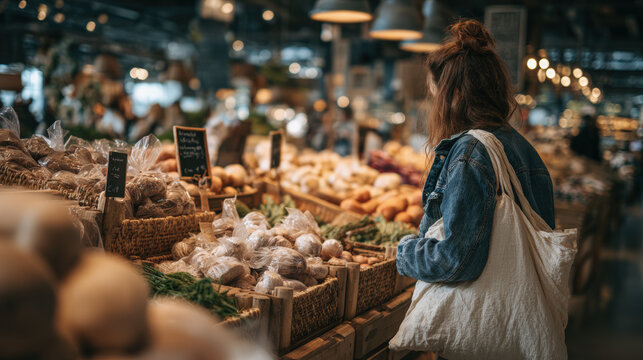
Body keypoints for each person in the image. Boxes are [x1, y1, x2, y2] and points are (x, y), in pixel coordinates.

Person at [396, 20, 555, 291]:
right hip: (518, 306)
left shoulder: (470, 153)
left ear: (455, 96)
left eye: (436, 97)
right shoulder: (522, 147)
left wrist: (404, 251)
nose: (435, 107)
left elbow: (455, 260)